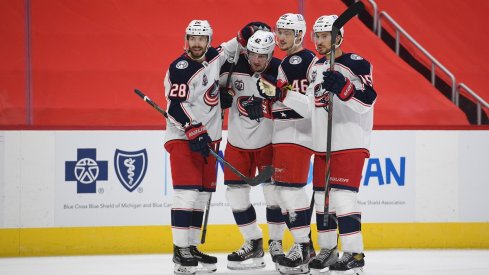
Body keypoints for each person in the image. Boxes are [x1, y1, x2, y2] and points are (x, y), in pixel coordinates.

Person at [260, 15, 377, 275]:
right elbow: (311, 107)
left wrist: (346, 90)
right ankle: (327, 250)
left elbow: (368, 101)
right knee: (323, 200)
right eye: (318, 36)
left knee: (343, 198)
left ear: (339, 37)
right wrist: (282, 94)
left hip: (349, 140)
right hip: (323, 144)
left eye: (326, 36)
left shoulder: (356, 63)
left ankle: (354, 253)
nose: (321, 41)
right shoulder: (317, 68)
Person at [163, 19, 259, 275]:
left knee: (203, 195)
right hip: (185, 138)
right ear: (186, 40)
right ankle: (179, 250)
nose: (196, 43)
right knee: (187, 193)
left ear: (208, 40)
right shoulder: (181, 67)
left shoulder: (214, 58)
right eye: (192, 38)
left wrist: (248, 32)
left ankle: (192, 248)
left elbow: (235, 44)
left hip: (209, 140)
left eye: (201, 39)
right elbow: (175, 106)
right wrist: (193, 127)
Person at [249, 13, 318, 274]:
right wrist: (264, 104)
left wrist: (278, 93)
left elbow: (310, 105)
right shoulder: (284, 63)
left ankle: (304, 247)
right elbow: (280, 101)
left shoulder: (306, 60)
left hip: (298, 133)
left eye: (287, 33)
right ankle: (303, 248)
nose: (281, 37)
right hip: (283, 133)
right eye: (280, 32)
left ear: (300, 35)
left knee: (291, 192)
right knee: (282, 193)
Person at [218, 28, 281, 270]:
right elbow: (210, 79)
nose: (256, 60)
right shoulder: (233, 66)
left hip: (267, 143)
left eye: (262, 56)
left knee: (274, 195)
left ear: (271, 54)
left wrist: (266, 103)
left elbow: (290, 99)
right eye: (252, 54)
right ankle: (253, 242)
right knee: (235, 195)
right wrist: (219, 96)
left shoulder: (279, 70)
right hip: (237, 143)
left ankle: (275, 242)